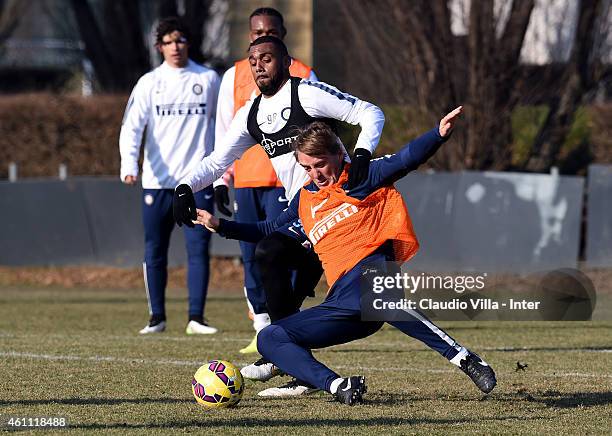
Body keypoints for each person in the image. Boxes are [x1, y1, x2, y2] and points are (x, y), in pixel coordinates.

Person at [193, 107, 497, 405]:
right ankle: (337, 385)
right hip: (342, 304)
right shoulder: (307, 199)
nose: (315, 174)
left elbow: (407, 158)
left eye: (320, 164)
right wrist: (220, 225)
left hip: (373, 284)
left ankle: (465, 359)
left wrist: (438, 134)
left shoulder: (361, 177)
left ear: (338, 154)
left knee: (378, 298)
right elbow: (271, 227)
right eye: (307, 168)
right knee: (269, 337)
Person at [173, 35, 384, 396]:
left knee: (288, 262)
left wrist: (362, 155)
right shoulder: (252, 113)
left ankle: (287, 353)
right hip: (303, 211)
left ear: (285, 61)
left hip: (341, 207)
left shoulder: (307, 94)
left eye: (267, 57)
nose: (258, 64)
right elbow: (217, 160)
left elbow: (370, 112)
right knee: (272, 255)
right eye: (253, 59)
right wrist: (184, 188)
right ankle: (290, 357)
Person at [213, 7, 318, 355]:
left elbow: (318, 130)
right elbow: (224, 130)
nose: (260, 38)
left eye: (267, 32)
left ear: (282, 34)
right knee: (250, 255)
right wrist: (220, 180)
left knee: (277, 250)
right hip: (245, 177)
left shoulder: (302, 73)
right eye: (255, 33)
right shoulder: (235, 75)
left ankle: (285, 322)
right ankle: (261, 326)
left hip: (285, 183)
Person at [119, 17, 220, 335]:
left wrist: (221, 172)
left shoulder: (208, 79)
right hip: (157, 182)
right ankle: (156, 317)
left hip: (197, 181)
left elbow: (224, 125)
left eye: (180, 40)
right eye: (168, 41)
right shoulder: (150, 82)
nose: (175, 47)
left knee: (199, 248)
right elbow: (132, 126)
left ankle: (196, 318)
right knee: (155, 249)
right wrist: (128, 164)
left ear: (188, 43)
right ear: (159, 46)